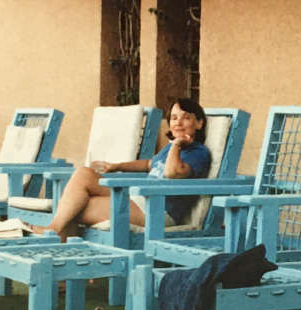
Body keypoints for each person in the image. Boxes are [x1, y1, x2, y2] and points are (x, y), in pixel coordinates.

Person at [34, 98, 211, 241]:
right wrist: (115, 166)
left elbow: (173, 172)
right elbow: (149, 165)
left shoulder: (198, 152)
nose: (178, 123)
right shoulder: (169, 149)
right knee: (83, 174)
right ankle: (55, 231)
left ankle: (54, 236)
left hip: (157, 211)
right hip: (138, 200)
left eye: (186, 117)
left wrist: (178, 144)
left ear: (199, 123)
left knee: (74, 208)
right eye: (173, 118)